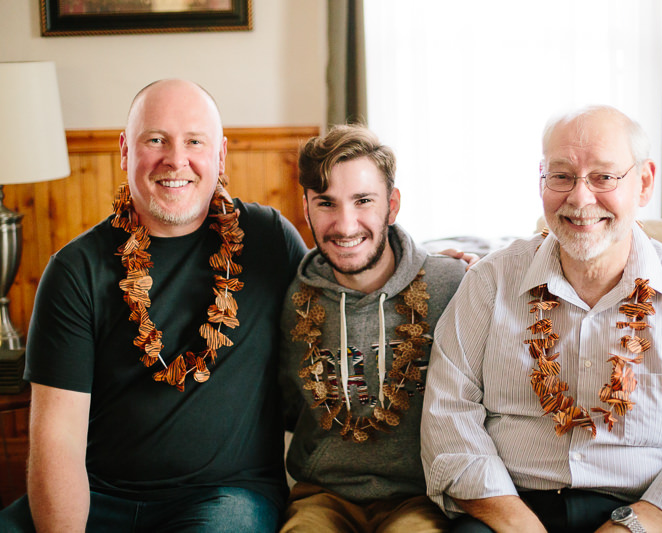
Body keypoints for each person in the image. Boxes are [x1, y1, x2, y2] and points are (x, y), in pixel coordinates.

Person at [420, 105, 662, 533]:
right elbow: (448, 414)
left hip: (641, 514)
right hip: (509, 510)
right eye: (562, 176)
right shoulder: (489, 283)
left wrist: (635, 526)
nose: (580, 199)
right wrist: (516, 523)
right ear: (542, 180)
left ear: (643, 183)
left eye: (603, 177)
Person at [0, 79, 307, 532]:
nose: (175, 160)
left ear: (220, 155)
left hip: (225, 499)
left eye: (194, 141)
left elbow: (343, 300)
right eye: (156, 140)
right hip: (95, 495)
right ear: (126, 151)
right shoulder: (75, 270)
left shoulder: (270, 240)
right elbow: (57, 443)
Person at [278, 124, 466, 532]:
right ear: (306, 208)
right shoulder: (292, 298)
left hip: (422, 497)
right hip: (322, 495)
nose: (345, 225)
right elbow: (288, 406)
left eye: (363, 201)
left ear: (391, 206)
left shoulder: (451, 284)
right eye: (326, 203)